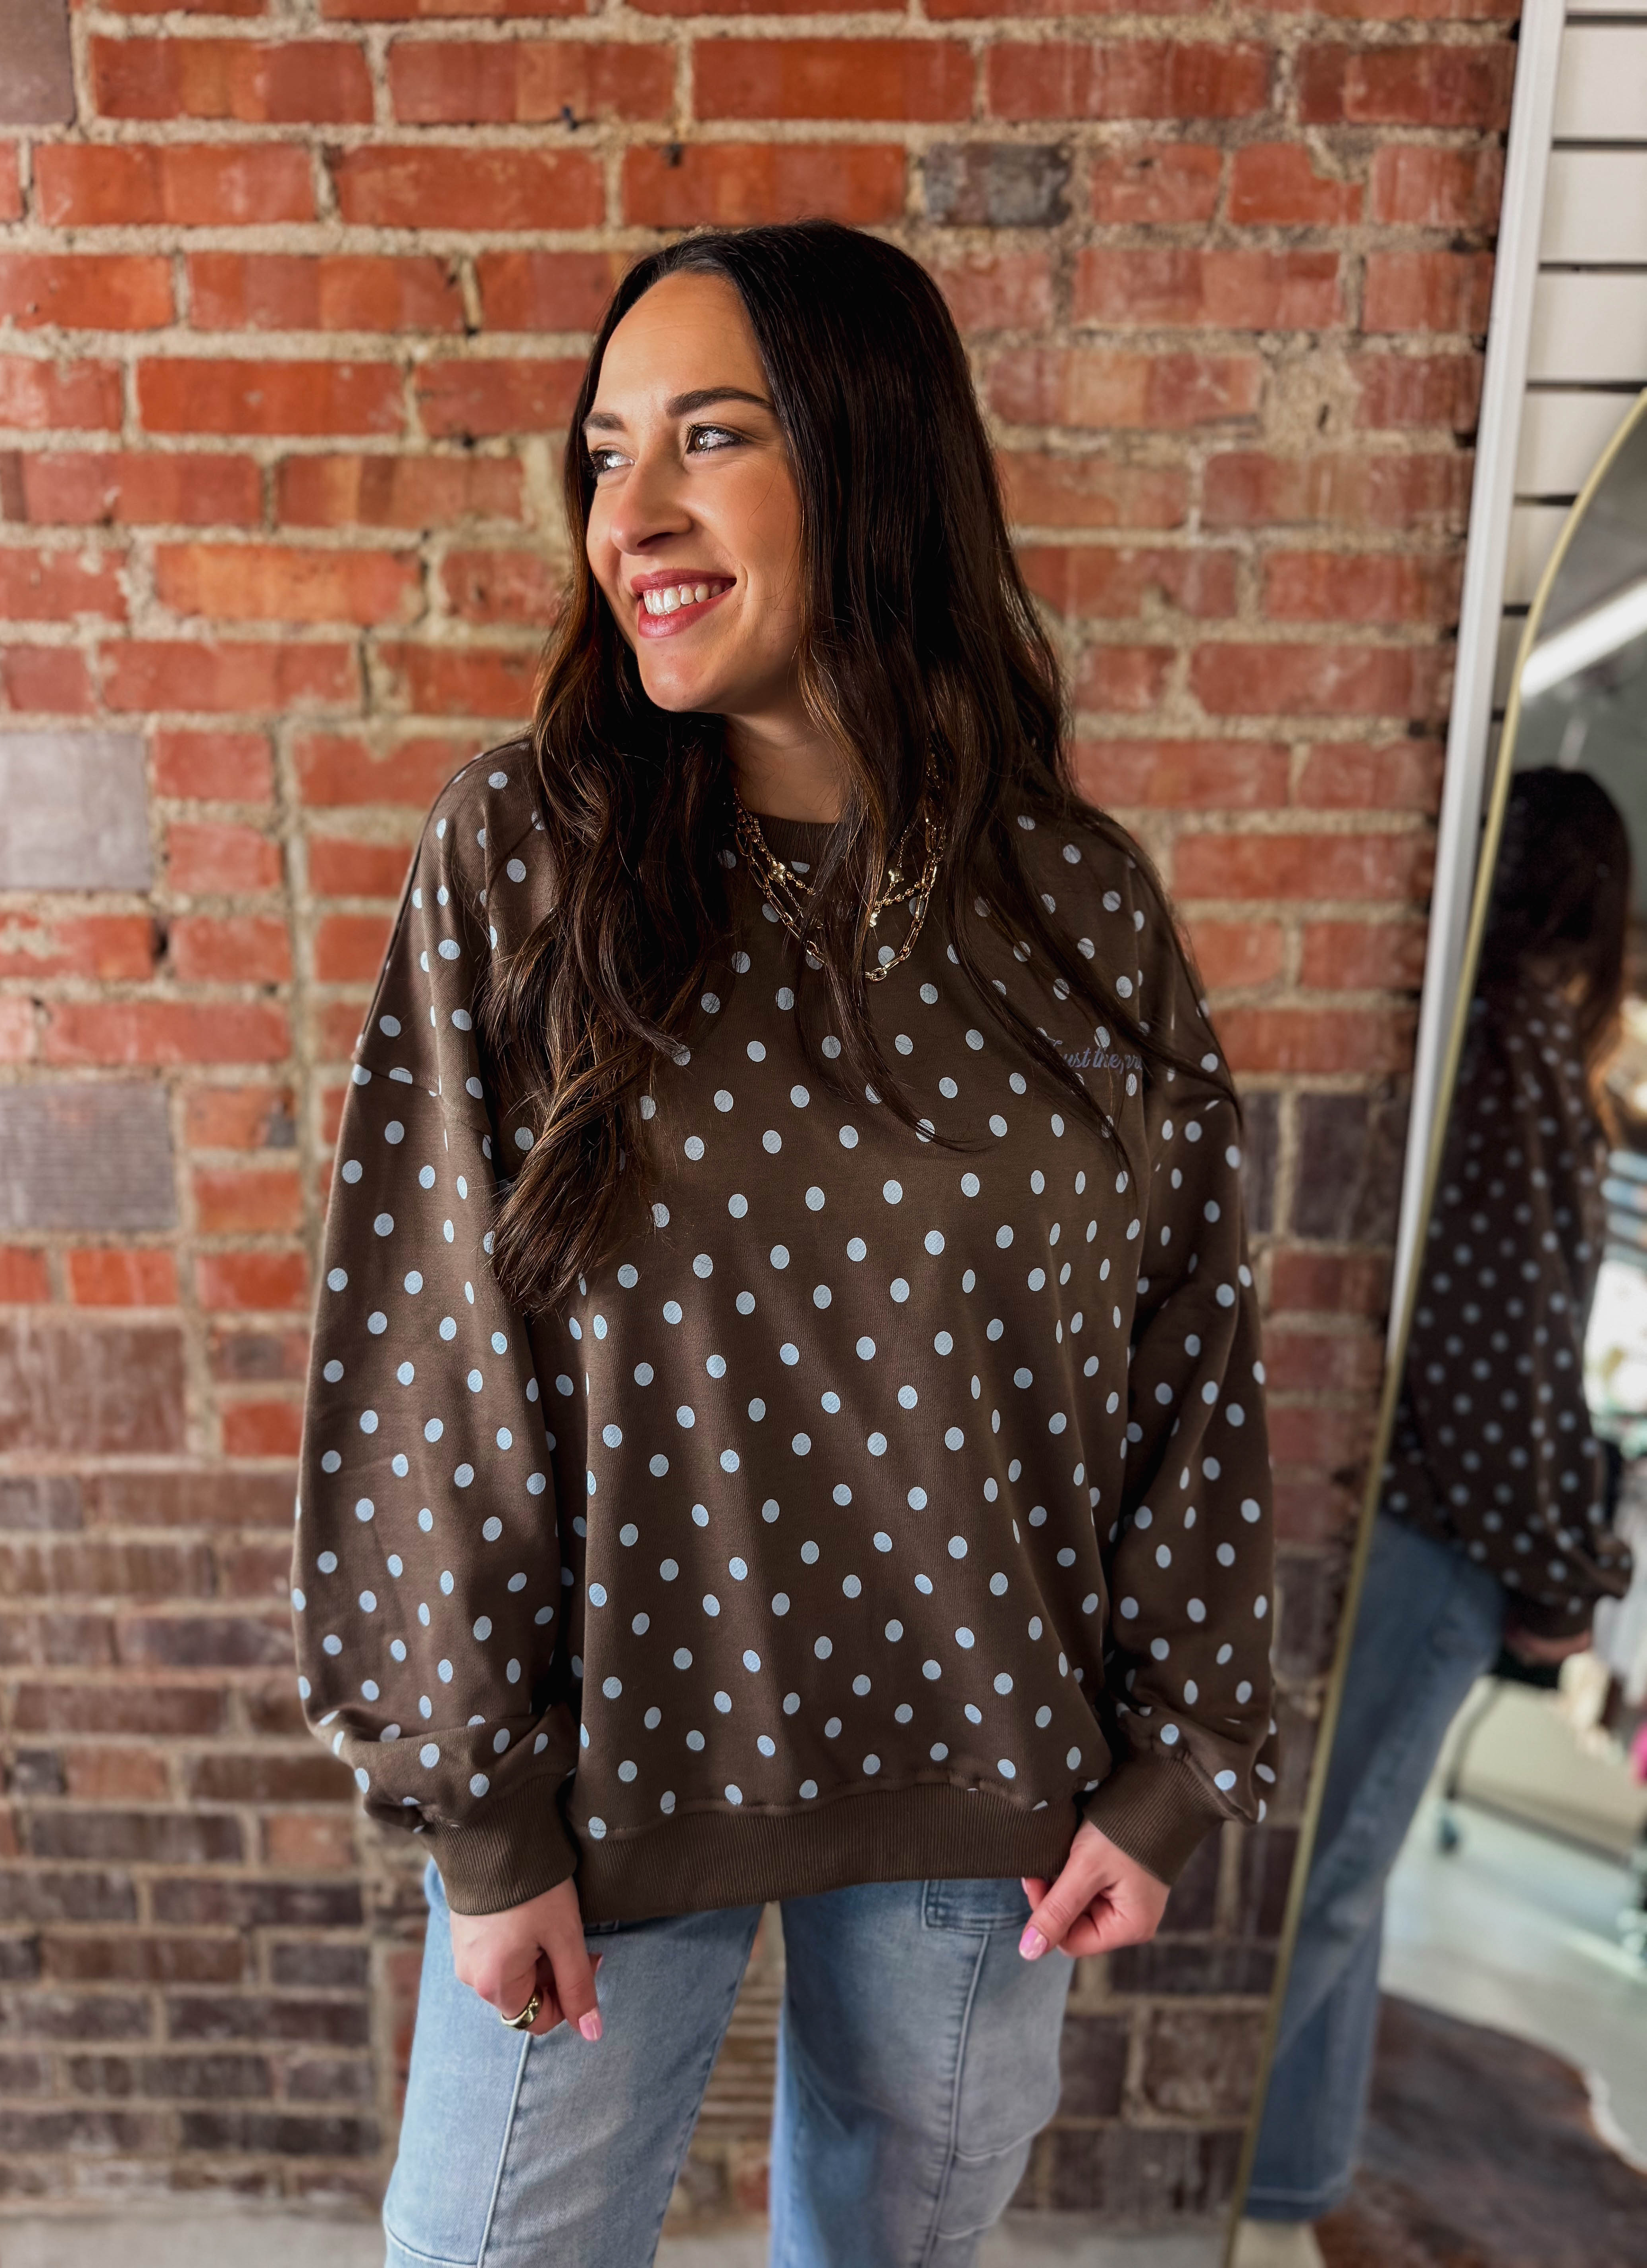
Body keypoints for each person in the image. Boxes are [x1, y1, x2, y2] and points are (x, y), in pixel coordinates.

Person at [288, 219, 1278, 2268]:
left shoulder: (1078, 904)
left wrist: (1175, 1761)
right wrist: (481, 1813)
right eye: (604, 453)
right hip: (605, 1775)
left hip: (989, 1799)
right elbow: (429, 1353)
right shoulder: (523, 856)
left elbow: (1186, 1347)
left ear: (870, 455)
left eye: (710, 438)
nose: (629, 514)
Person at [1239, 767, 1637, 2264]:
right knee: (1336, 1886)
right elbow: (1505, 1342)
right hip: (1444, 1534)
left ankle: (1283, 2192)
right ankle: (1237, 2206)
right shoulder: (1511, 1042)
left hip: (1431, 1517)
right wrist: (1558, 1573)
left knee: (1350, 1882)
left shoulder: (1480, 1032)